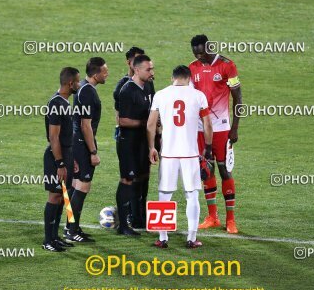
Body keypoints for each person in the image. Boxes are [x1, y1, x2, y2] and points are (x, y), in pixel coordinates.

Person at [147, 65, 213, 248]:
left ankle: (163, 238)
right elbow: (207, 124)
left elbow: (151, 124)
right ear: (189, 78)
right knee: (192, 195)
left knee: (164, 195)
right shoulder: (198, 96)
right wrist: (208, 148)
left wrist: (152, 147)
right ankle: (191, 239)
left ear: (172, 78)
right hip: (190, 154)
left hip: (168, 153)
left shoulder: (160, 95)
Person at [189, 34, 243, 234]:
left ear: (209, 47)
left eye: (202, 52)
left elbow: (238, 98)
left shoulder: (227, 65)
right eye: (195, 53)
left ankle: (231, 220)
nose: (199, 56)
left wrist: (235, 127)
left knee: (224, 170)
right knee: (206, 169)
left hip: (221, 128)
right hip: (200, 129)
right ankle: (213, 217)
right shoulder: (192, 68)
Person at [63, 57, 108, 243]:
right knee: (82, 186)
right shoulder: (88, 92)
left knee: (74, 186)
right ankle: (72, 230)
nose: (107, 74)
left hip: (76, 142)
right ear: (96, 74)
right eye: (104, 72)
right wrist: (93, 152)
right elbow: (86, 126)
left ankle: (70, 227)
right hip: (82, 144)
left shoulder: (82, 87)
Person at [112, 47, 156, 228]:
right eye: (149, 69)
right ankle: (125, 222)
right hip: (128, 143)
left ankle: (139, 218)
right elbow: (122, 120)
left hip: (144, 142)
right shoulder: (126, 88)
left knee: (143, 178)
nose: (152, 73)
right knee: (128, 180)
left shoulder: (148, 86)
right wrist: (147, 123)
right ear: (134, 67)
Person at [42, 67, 80, 252]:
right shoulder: (56, 103)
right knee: (55, 196)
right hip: (55, 157)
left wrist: (70, 158)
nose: (79, 85)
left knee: (62, 197)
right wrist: (60, 163)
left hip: (66, 154)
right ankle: (48, 240)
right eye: (78, 82)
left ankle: (55, 237)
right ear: (70, 83)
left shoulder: (64, 102)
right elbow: (54, 137)